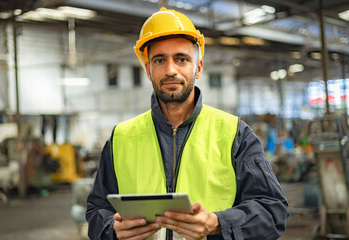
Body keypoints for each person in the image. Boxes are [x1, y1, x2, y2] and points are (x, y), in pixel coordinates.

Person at [86, 7, 289, 240]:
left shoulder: (235, 134)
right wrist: (112, 230)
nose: (170, 70)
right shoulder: (121, 138)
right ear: (148, 70)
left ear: (198, 67)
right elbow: (95, 212)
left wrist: (218, 223)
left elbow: (274, 211)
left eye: (181, 59)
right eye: (159, 60)